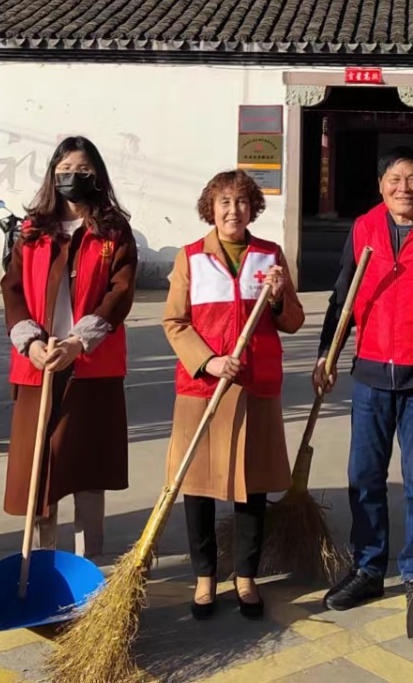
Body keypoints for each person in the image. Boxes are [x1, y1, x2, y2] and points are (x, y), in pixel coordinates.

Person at [313, 146, 413, 611]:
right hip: (371, 375)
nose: (404, 188)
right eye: (395, 179)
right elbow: (342, 296)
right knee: (364, 476)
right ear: (381, 186)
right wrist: (327, 353)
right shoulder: (364, 228)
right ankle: (367, 568)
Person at [162, 170, 304, 620]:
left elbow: (293, 321)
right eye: (224, 202)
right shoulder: (191, 257)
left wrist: (278, 297)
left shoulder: (270, 256)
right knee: (198, 485)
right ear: (211, 207)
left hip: (255, 385)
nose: (233, 210)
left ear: (252, 208)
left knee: (251, 485)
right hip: (204, 387)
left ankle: (246, 576)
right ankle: (205, 577)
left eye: (241, 202)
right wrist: (208, 361)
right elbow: (174, 322)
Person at [1, 137, 137, 559]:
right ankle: (41, 560)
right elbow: (12, 288)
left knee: (86, 470)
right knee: (39, 471)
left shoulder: (112, 231)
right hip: (38, 364)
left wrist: (80, 341)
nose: (72, 177)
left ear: (96, 176)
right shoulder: (32, 230)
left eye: (82, 170)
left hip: (91, 366)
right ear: (52, 175)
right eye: (64, 170)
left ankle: (87, 562)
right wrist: (29, 341)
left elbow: (120, 291)